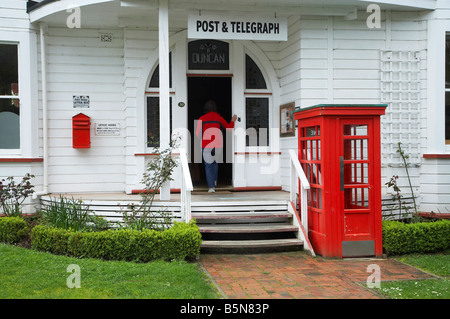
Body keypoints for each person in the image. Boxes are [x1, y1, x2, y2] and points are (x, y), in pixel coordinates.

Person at [196, 100, 237, 192]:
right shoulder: (219, 118)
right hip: (217, 145)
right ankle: (214, 181)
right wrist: (232, 121)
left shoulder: (201, 119)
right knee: (215, 163)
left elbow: (197, 134)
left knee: (208, 165)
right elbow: (229, 129)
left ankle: (211, 187)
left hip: (206, 145)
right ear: (215, 109)